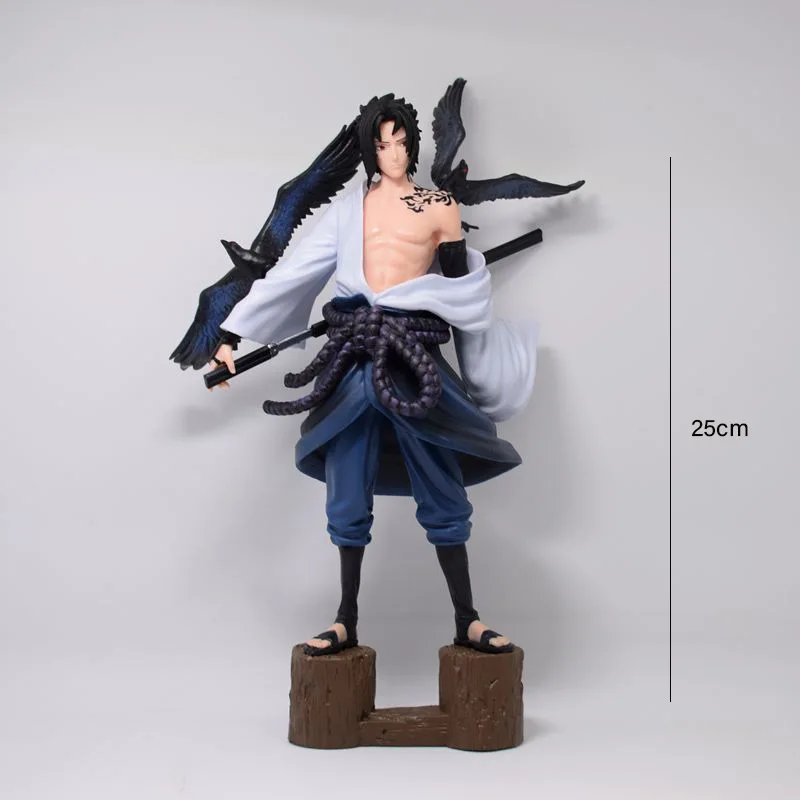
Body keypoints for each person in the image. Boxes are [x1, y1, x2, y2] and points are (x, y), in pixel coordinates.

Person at [210, 93, 537, 656]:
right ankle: (345, 620)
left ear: (413, 144)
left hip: (412, 356)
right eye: (383, 144)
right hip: (354, 354)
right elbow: (296, 272)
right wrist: (232, 334)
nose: (394, 153)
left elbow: (458, 290)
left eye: (402, 142)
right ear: (370, 150)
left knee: (440, 479)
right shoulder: (349, 211)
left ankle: (467, 617)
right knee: (347, 483)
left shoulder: (438, 205)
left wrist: (475, 329)